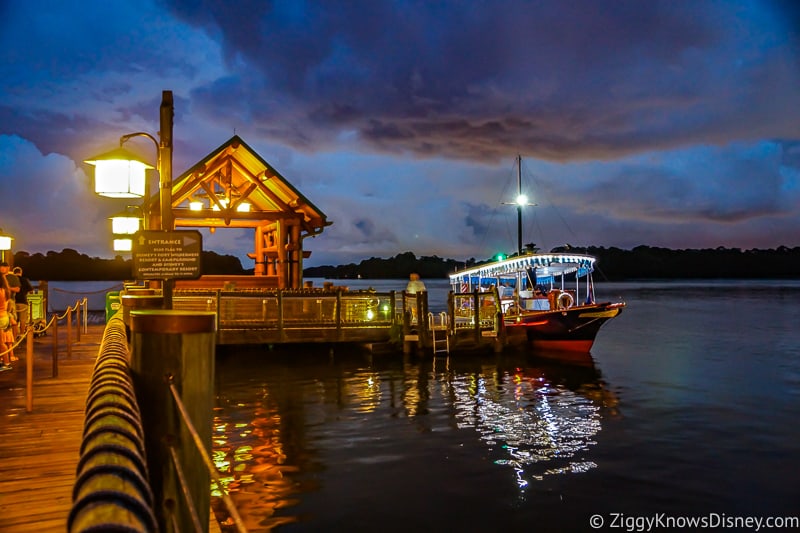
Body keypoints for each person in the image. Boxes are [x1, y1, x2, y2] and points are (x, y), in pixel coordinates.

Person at [0, 262, 20, 339]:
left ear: (8, 268)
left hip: (9, 300)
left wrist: (7, 289)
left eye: (4, 267)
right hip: (4, 303)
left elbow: (17, 289)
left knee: (13, 320)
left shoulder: (13, 277)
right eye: (1, 267)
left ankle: (13, 339)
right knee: (11, 321)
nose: (2, 268)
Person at [12, 266, 33, 337]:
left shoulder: (12, 279)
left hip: (13, 302)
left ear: (13, 272)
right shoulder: (25, 280)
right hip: (23, 301)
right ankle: (21, 334)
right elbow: (31, 290)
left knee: (14, 319)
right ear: (21, 272)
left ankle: (14, 335)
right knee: (23, 319)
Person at [0, 275, 13, 370]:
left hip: (0, 318)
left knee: (1, 343)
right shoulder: (5, 290)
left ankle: (6, 363)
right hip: (4, 316)